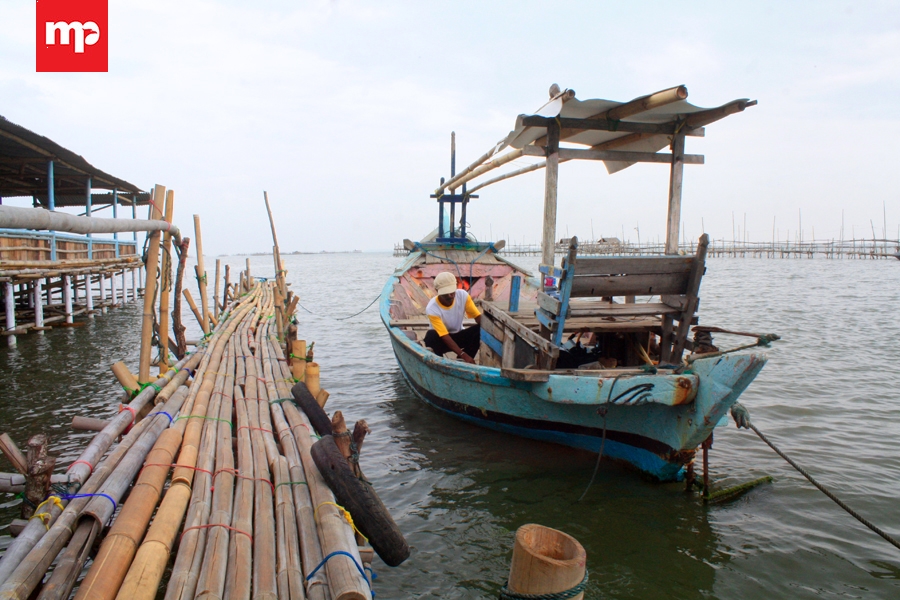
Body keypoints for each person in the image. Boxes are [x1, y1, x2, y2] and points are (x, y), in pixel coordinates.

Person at [423, 272, 482, 364]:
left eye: (452, 292)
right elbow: (444, 336)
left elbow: (478, 317)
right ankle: (439, 363)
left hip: (458, 336)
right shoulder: (432, 308)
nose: (450, 295)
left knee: (481, 329)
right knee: (431, 335)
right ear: (437, 291)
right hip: (442, 341)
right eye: (446, 293)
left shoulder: (463, 295)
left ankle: (464, 359)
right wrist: (463, 354)